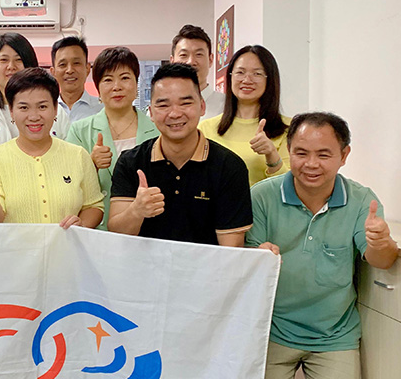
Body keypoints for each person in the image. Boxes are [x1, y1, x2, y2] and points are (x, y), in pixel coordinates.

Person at [247, 112, 398, 379]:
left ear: (344, 155)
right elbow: (242, 256)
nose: (311, 164)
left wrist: (382, 242)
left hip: (334, 330)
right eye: (301, 153)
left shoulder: (361, 200)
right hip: (273, 325)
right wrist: (257, 253)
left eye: (324, 154)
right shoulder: (262, 196)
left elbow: (381, 260)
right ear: (288, 152)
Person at [108, 63, 252, 246]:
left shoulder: (229, 167)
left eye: (185, 103)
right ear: (151, 112)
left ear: (202, 107)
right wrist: (136, 211)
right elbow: (117, 236)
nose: (175, 113)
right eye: (163, 105)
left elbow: (231, 249)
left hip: (205, 264)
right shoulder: (131, 162)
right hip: (144, 264)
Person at [0, 68, 103, 229]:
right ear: (11, 111)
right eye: (24, 108)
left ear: (55, 109)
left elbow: (94, 205)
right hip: (14, 245)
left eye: (42, 107)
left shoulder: (78, 155)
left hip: (66, 245)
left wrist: (81, 225)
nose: (34, 117)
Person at [66, 46, 158, 230]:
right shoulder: (80, 130)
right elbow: (65, 183)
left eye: (125, 78)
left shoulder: (157, 131)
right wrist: (91, 164)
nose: (117, 87)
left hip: (147, 228)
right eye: (108, 80)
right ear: (98, 88)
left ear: (136, 84)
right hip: (96, 229)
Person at [0, 33, 71, 150]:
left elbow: (69, 152)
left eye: (19, 59)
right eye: (4, 60)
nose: (11, 66)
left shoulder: (55, 110)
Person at [198, 45, 291, 185]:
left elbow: (291, 188)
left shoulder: (288, 128)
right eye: (240, 72)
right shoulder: (205, 128)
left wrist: (272, 155)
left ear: (270, 79)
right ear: (230, 77)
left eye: (257, 74)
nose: (247, 80)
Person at [169, 24, 226, 119]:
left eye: (199, 54)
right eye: (183, 55)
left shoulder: (228, 106)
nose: (191, 62)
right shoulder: (161, 108)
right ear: (172, 61)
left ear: (211, 60)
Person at [50, 35, 102, 123]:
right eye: (63, 64)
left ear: (87, 68)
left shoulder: (103, 110)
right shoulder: (45, 110)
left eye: (76, 63)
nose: (70, 70)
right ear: (53, 72)